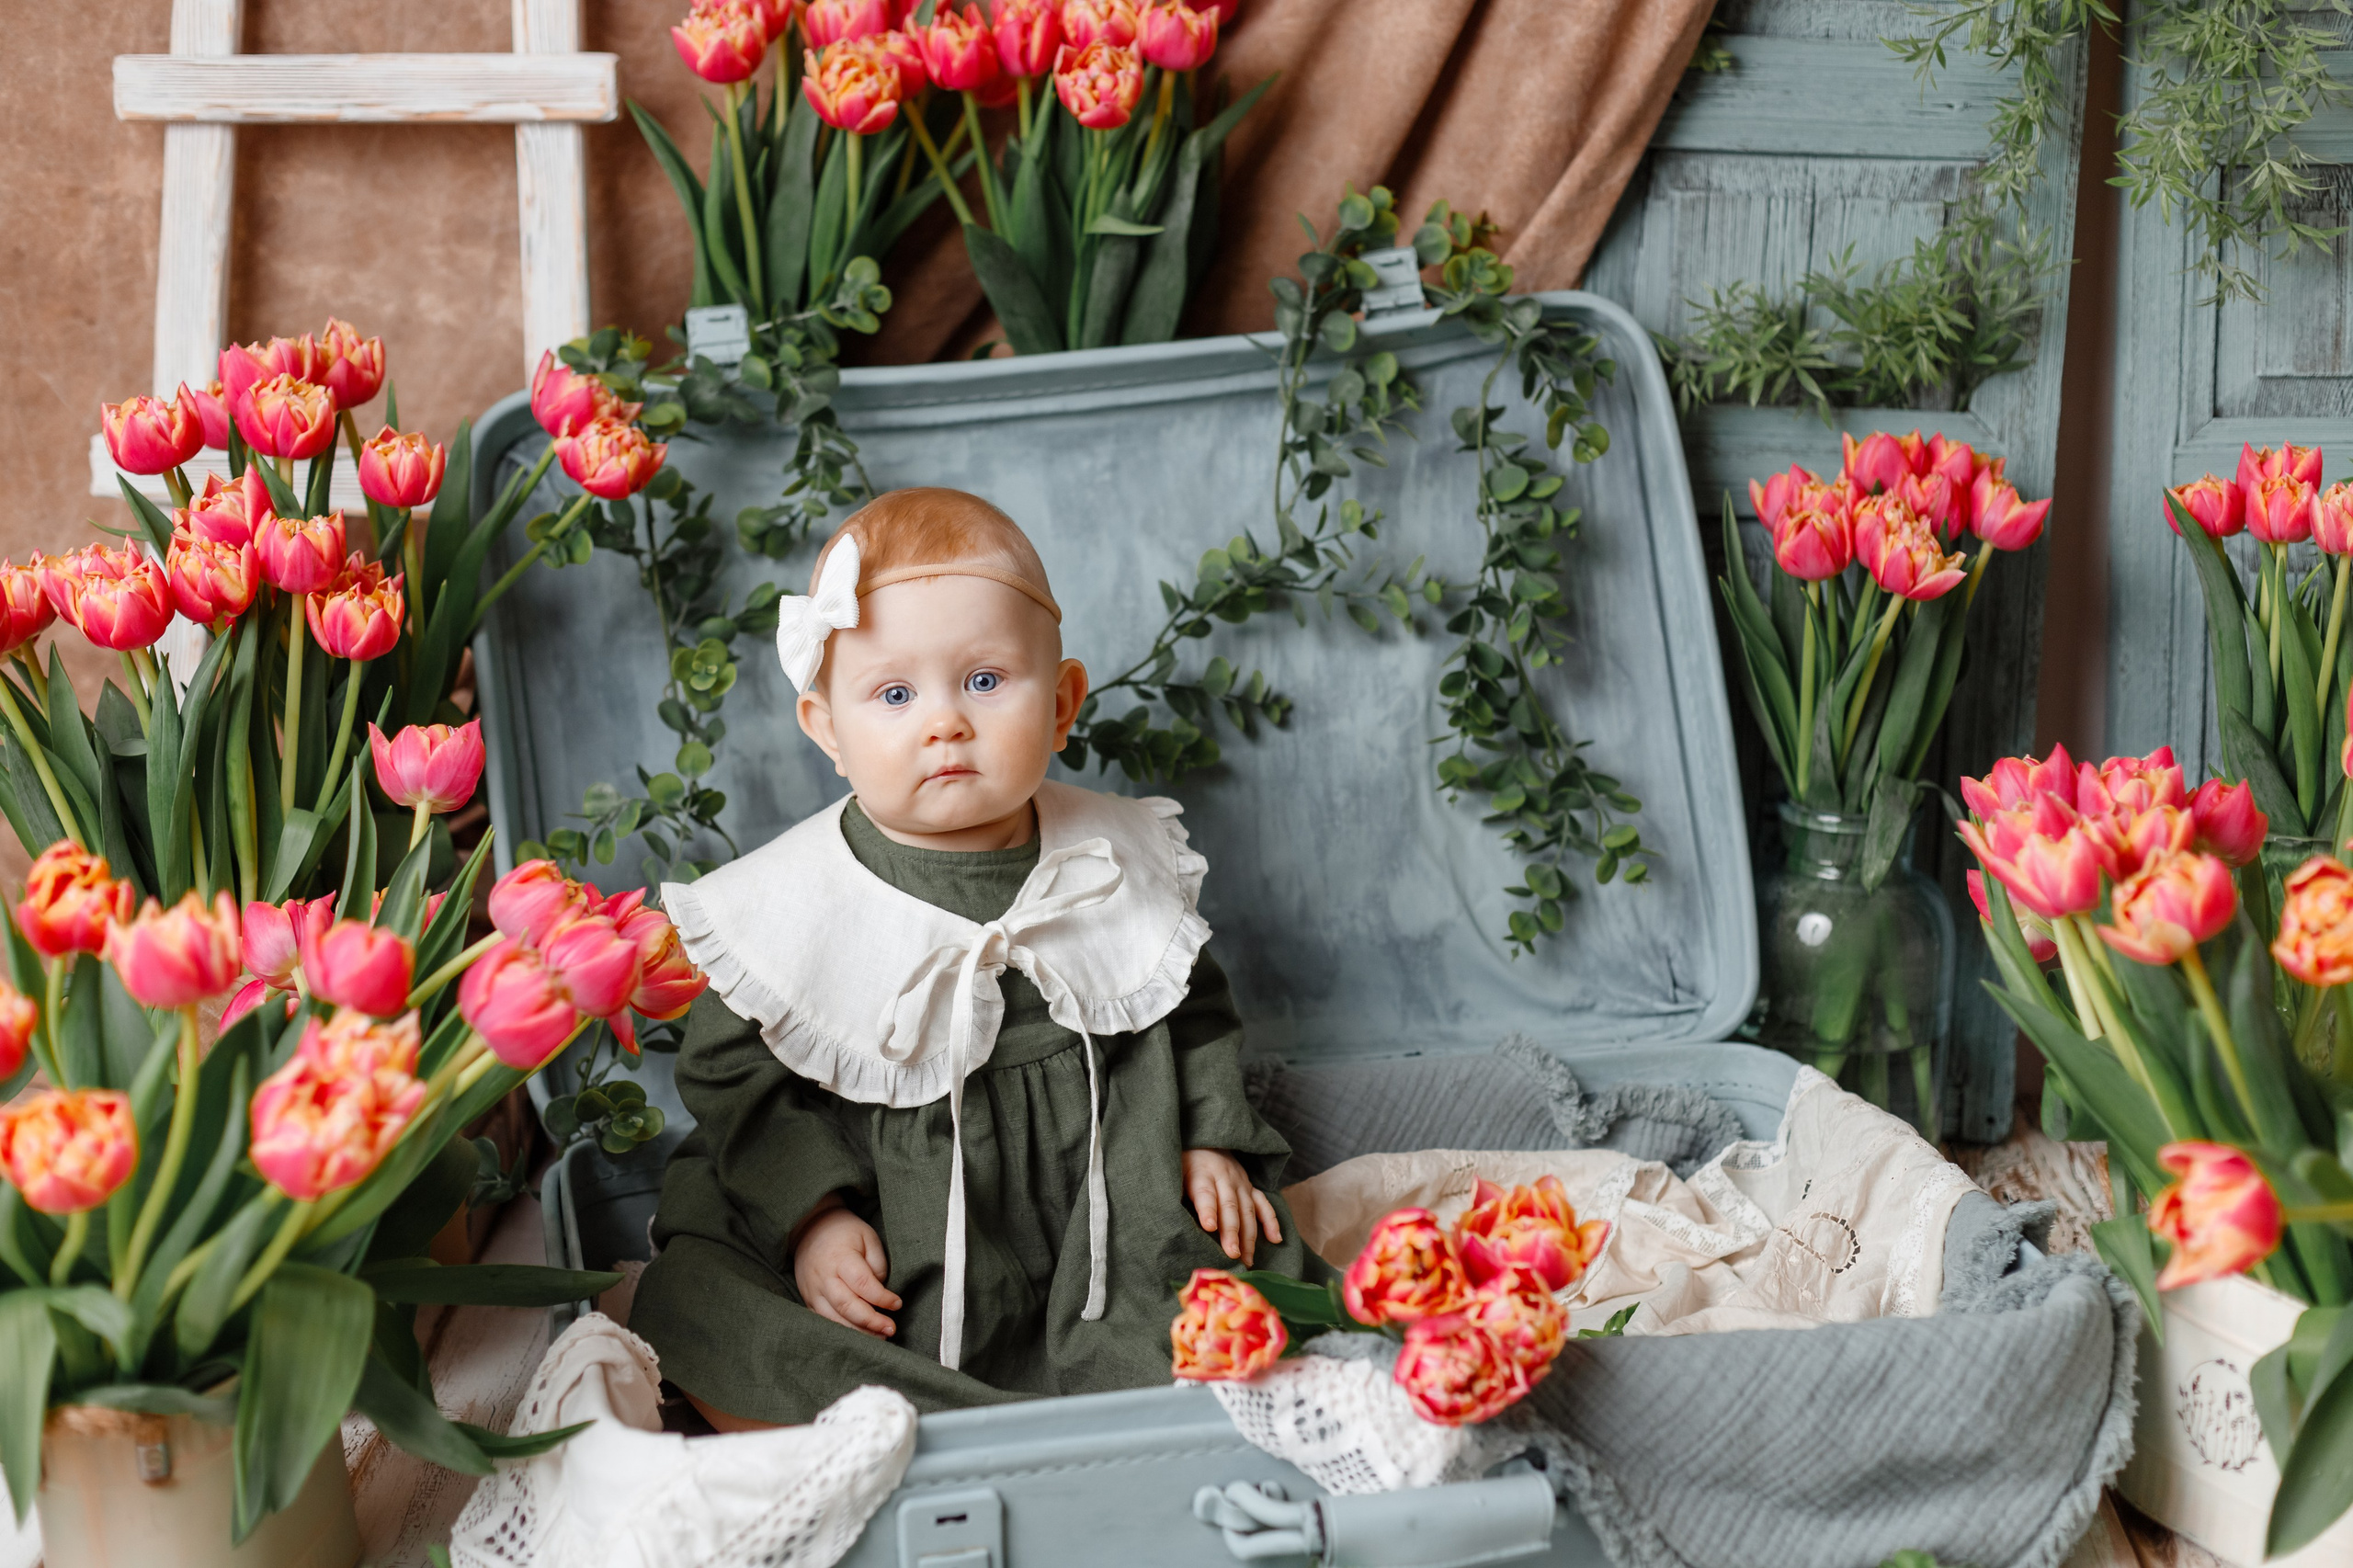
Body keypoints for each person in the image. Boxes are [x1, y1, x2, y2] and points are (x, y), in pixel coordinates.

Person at [630, 487, 1321, 1428]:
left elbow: (1189, 1005)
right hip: (887, 1215)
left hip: (1105, 1196)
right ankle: (882, 1417)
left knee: (1230, 1286)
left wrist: (1207, 1137)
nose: (945, 721)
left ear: (1064, 701)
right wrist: (814, 1214)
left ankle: (1091, 1425)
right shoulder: (790, 899)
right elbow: (730, 1075)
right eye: (894, 694)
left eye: (986, 680)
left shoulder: (1112, 853)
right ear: (827, 726)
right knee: (701, 1303)